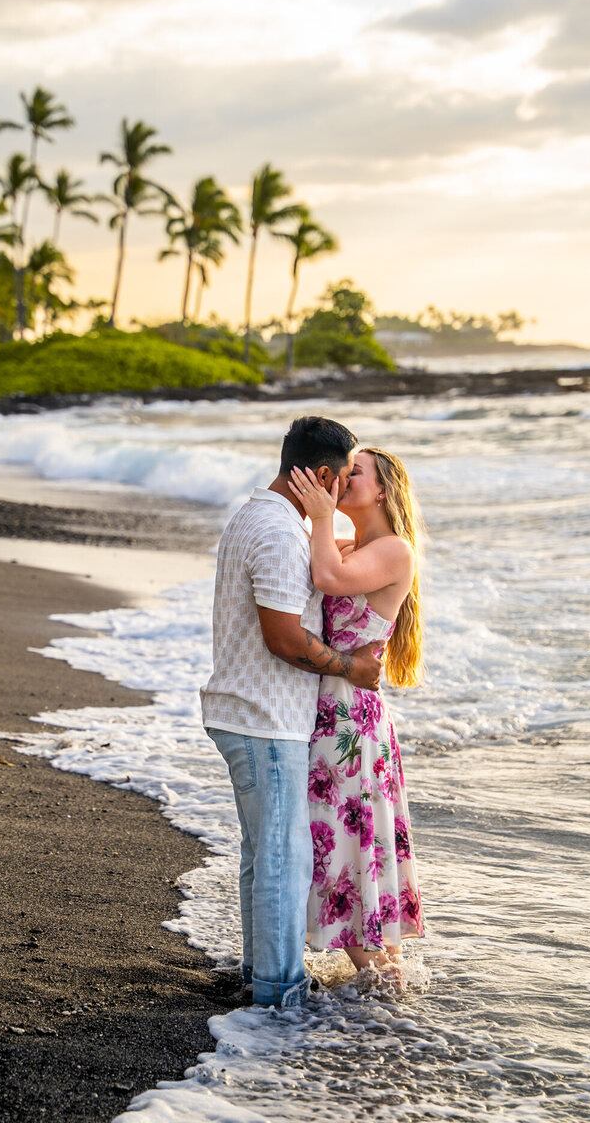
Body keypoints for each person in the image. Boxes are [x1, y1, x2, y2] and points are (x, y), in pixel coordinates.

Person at [201, 417, 386, 1009]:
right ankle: (279, 992)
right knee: (282, 859)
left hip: (250, 712)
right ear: (325, 477)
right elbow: (284, 638)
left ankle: (260, 974)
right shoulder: (280, 534)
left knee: (264, 856)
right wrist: (350, 669)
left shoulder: (258, 515)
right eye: (343, 476)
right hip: (264, 716)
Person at [287, 448, 426, 975]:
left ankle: (387, 1005)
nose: (343, 477)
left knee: (342, 847)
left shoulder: (395, 550)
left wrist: (320, 515)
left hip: (349, 718)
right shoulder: (352, 545)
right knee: (349, 846)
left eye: (356, 471)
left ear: (385, 490)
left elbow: (328, 579)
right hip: (337, 709)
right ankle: (388, 1001)